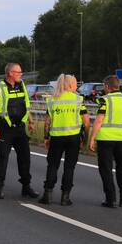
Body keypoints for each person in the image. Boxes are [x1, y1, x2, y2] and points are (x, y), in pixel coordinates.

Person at [0, 62, 37, 200]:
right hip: (5, 128)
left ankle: (26, 187)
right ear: (10, 73)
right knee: (3, 158)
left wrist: (31, 121)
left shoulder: (22, 86)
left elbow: (26, 106)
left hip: (20, 128)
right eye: (18, 72)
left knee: (25, 158)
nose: (20, 74)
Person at [40, 74, 90, 205]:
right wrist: (86, 138)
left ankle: (47, 195)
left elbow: (47, 122)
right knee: (69, 167)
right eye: (75, 84)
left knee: (52, 166)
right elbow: (86, 122)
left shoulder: (52, 100)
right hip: (73, 138)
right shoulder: (78, 100)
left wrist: (46, 137)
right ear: (70, 85)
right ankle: (65, 197)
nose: (76, 87)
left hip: (56, 138)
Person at [89, 75, 122, 208]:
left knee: (106, 169)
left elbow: (99, 120)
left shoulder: (105, 100)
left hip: (105, 139)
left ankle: (111, 199)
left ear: (106, 86)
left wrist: (92, 138)